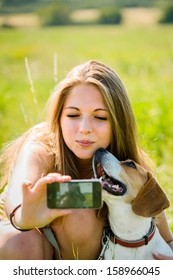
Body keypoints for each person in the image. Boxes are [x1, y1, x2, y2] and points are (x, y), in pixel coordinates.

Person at [0, 60, 172, 260]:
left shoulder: (126, 168)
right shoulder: (41, 145)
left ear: (119, 124)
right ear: (59, 118)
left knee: (82, 213)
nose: (84, 128)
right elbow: (17, 194)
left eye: (100, 117)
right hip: (24, 235)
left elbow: (166, 239)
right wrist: (23, 216)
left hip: (87, 249)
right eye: (73, 115)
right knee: (23, 242)